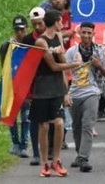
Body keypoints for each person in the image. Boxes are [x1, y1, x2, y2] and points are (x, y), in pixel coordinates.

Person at [30, 10, 77, 177]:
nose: (62, 24)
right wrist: (74, 65)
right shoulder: (41, 41)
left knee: (58, 123)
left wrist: (62, 55)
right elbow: (53, 66)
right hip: (42, 87)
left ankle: (57, 160)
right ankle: (44, 163)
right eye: (60, 21)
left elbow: (62, 62)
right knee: (43, 125)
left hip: (57, 86)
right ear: (55, 22)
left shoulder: (58, 36)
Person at [65, 22, 105, 173]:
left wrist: (98, 65)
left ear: (93, 34)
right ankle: (79, 155)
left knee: (87, 125)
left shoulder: (99, 51)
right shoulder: (71, 52)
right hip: (75, 93)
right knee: (76, 127)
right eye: (83, 32)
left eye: (89, 33)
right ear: (79, 34)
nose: (86, 36)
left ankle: (84, 158)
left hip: (92, 92)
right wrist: (66, 93)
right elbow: (64, 73)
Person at [0, 15, 30, 159]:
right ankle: (15, 143)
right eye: (17, 29)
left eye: (22, 29)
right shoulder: (7, 45)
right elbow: (3, 65)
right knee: (11, 116)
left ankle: (24, 145)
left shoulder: (31, 44)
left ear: (26, 29)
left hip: (26, 85)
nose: (19, 32)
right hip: (11, 85)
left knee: (25, 117)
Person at [21, 7, 47, 166]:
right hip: (34, 84)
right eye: (34, 24)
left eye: (40, 24)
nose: (37, 27)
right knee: (35, 118)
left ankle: (49, 150)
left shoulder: (50, 37)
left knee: (51, 120)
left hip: (50, 81)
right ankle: (36, 154)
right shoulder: (27, 40)